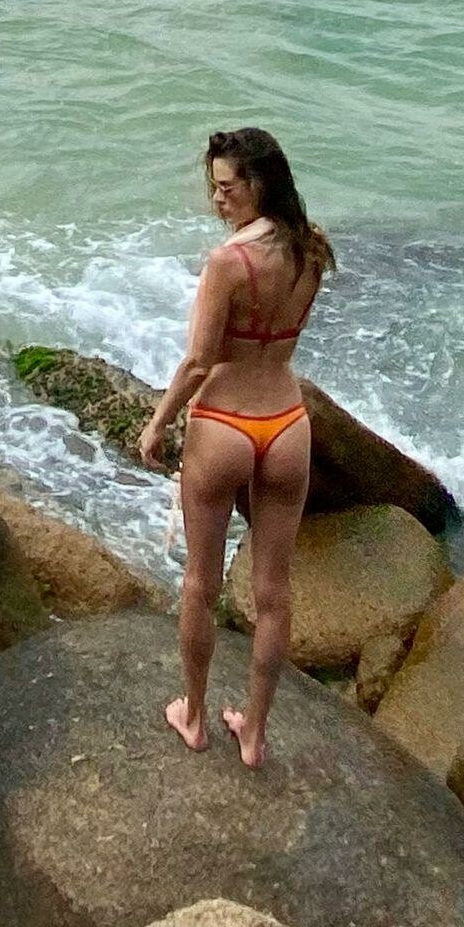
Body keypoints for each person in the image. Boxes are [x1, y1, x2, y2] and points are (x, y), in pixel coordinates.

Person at [138, 128, 334, 768]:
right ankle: (253, 733)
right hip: (286, 422)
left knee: (200, 583)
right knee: (274, 591)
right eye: (214, 188)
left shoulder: (228, 263)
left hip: (224, 421)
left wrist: (158, 422)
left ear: (260, 185)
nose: (217, 200)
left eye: (227, 188)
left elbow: (199, 361)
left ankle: (194, 716)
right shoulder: (312, 248)